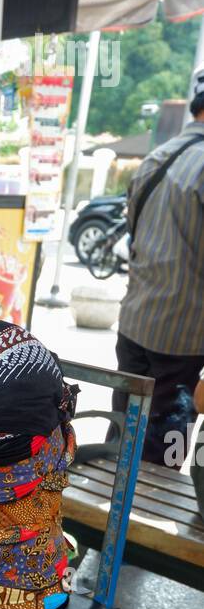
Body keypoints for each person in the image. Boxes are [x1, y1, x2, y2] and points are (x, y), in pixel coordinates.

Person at [114, 66, 204, 466]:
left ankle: (102, 525)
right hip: (183, 338)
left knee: (121, 440)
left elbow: (134, 234)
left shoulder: (156, 158)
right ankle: (137, 529)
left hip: (136, 324)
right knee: (161, 455)